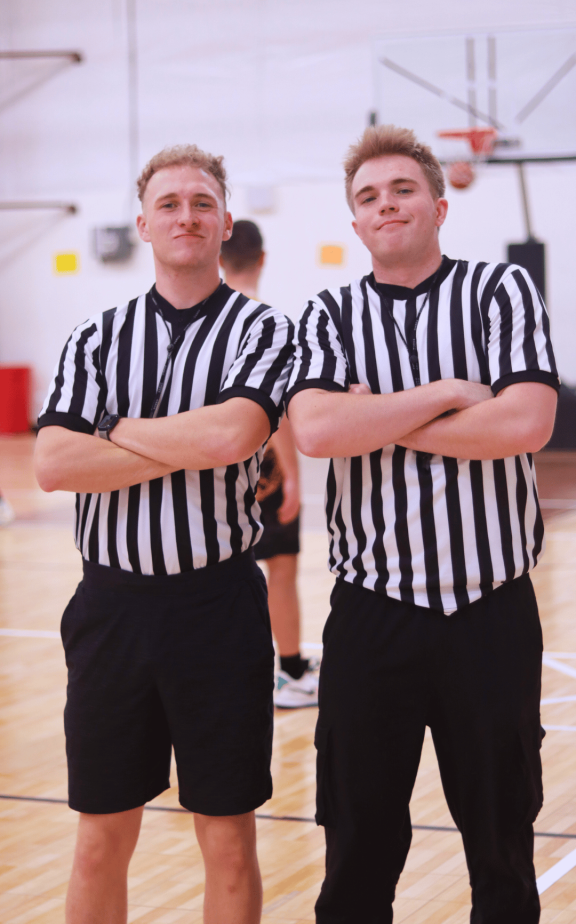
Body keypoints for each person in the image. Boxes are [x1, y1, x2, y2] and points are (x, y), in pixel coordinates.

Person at [286, 125, 559, 924]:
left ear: (439, 205)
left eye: (401, 189)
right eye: (368, 197)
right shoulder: (329, 313)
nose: (386, 205)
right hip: (374, 611)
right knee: (359, 847)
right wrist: (447, 392)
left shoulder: (500, 291)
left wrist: (375, 414)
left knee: (502, 847)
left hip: (490, 609)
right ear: (356, 223)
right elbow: (317, 434)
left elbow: (526, 423)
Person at [34, 145, 294, 924]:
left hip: (217, 607)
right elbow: (51, 461)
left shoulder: (264, 332)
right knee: (99, 838)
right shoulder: (95, 337)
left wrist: (109, 428)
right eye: (171, 203)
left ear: (225, 223)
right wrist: (179, 439)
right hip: (111, 609)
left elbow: (231, 439)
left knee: (227, 840)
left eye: (203, 202)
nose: (188, 215)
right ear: (143, 222)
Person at [220, 220, 319, 708]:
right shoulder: (267, 322)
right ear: (262, 259)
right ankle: (291, 670)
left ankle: (240, 672)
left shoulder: (209, 323)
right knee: (280, 570)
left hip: (214, 468)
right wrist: (295, 478)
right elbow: (276, 416)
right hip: (265, 471)